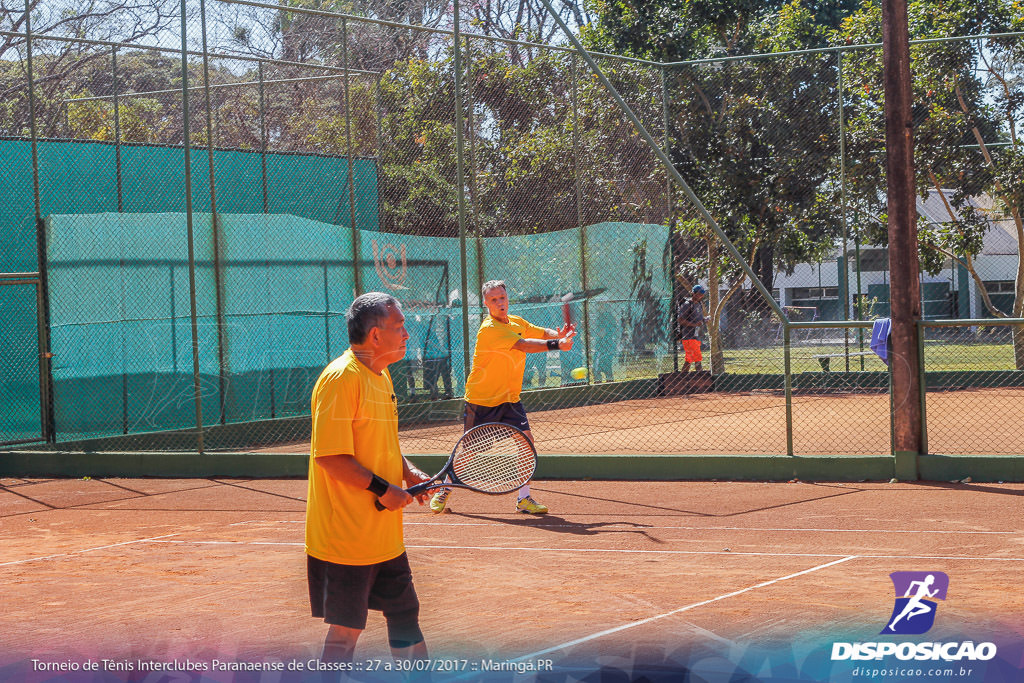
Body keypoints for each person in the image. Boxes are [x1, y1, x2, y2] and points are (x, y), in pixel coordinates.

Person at [305, 292, 432, 668]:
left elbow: (380, 443)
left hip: (384, 536)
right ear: (375, 336)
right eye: (399, 327)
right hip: (345, 538)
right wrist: (382, 489)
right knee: (346, 630)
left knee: (406, 616)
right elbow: (330, 456)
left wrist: (407, 471)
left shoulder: (381, 374)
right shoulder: (341, 379)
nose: (407, 333)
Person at [430, 279, 576, 515]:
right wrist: (557, 344)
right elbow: (525, 344)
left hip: (510, 399)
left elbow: (537, 332)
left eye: (503, 298)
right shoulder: (489, 330)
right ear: (486, 303)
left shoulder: (516, 321)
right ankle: (444, 490)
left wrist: (557, 334)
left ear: (508, 299)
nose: (500, 303)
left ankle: (524, 498)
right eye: (494, 299)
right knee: (470, 452)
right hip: (482, 400)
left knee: (526, 444)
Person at [677, 285, 706, 373]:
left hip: (695, 336)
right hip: (689, 337)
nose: (700, 296)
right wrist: (694, 324)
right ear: (693, 293)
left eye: (702, 294)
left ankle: (682, 379)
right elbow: (680, 320)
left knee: (689, 360)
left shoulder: (699, 304)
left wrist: (704, 320)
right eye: (698, 294)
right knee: (697, 360)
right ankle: (702, 379)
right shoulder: (687, 304)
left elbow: (699, 319)